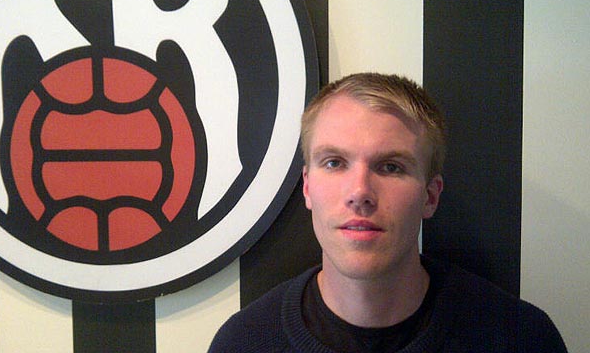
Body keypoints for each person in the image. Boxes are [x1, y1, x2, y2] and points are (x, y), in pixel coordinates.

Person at [208, 73, 567, 352]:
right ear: (307, 187)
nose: (360, 193)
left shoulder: (520, 339)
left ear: (430, 196)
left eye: (391, 167)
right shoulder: (242, 343)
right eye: (334, 163)